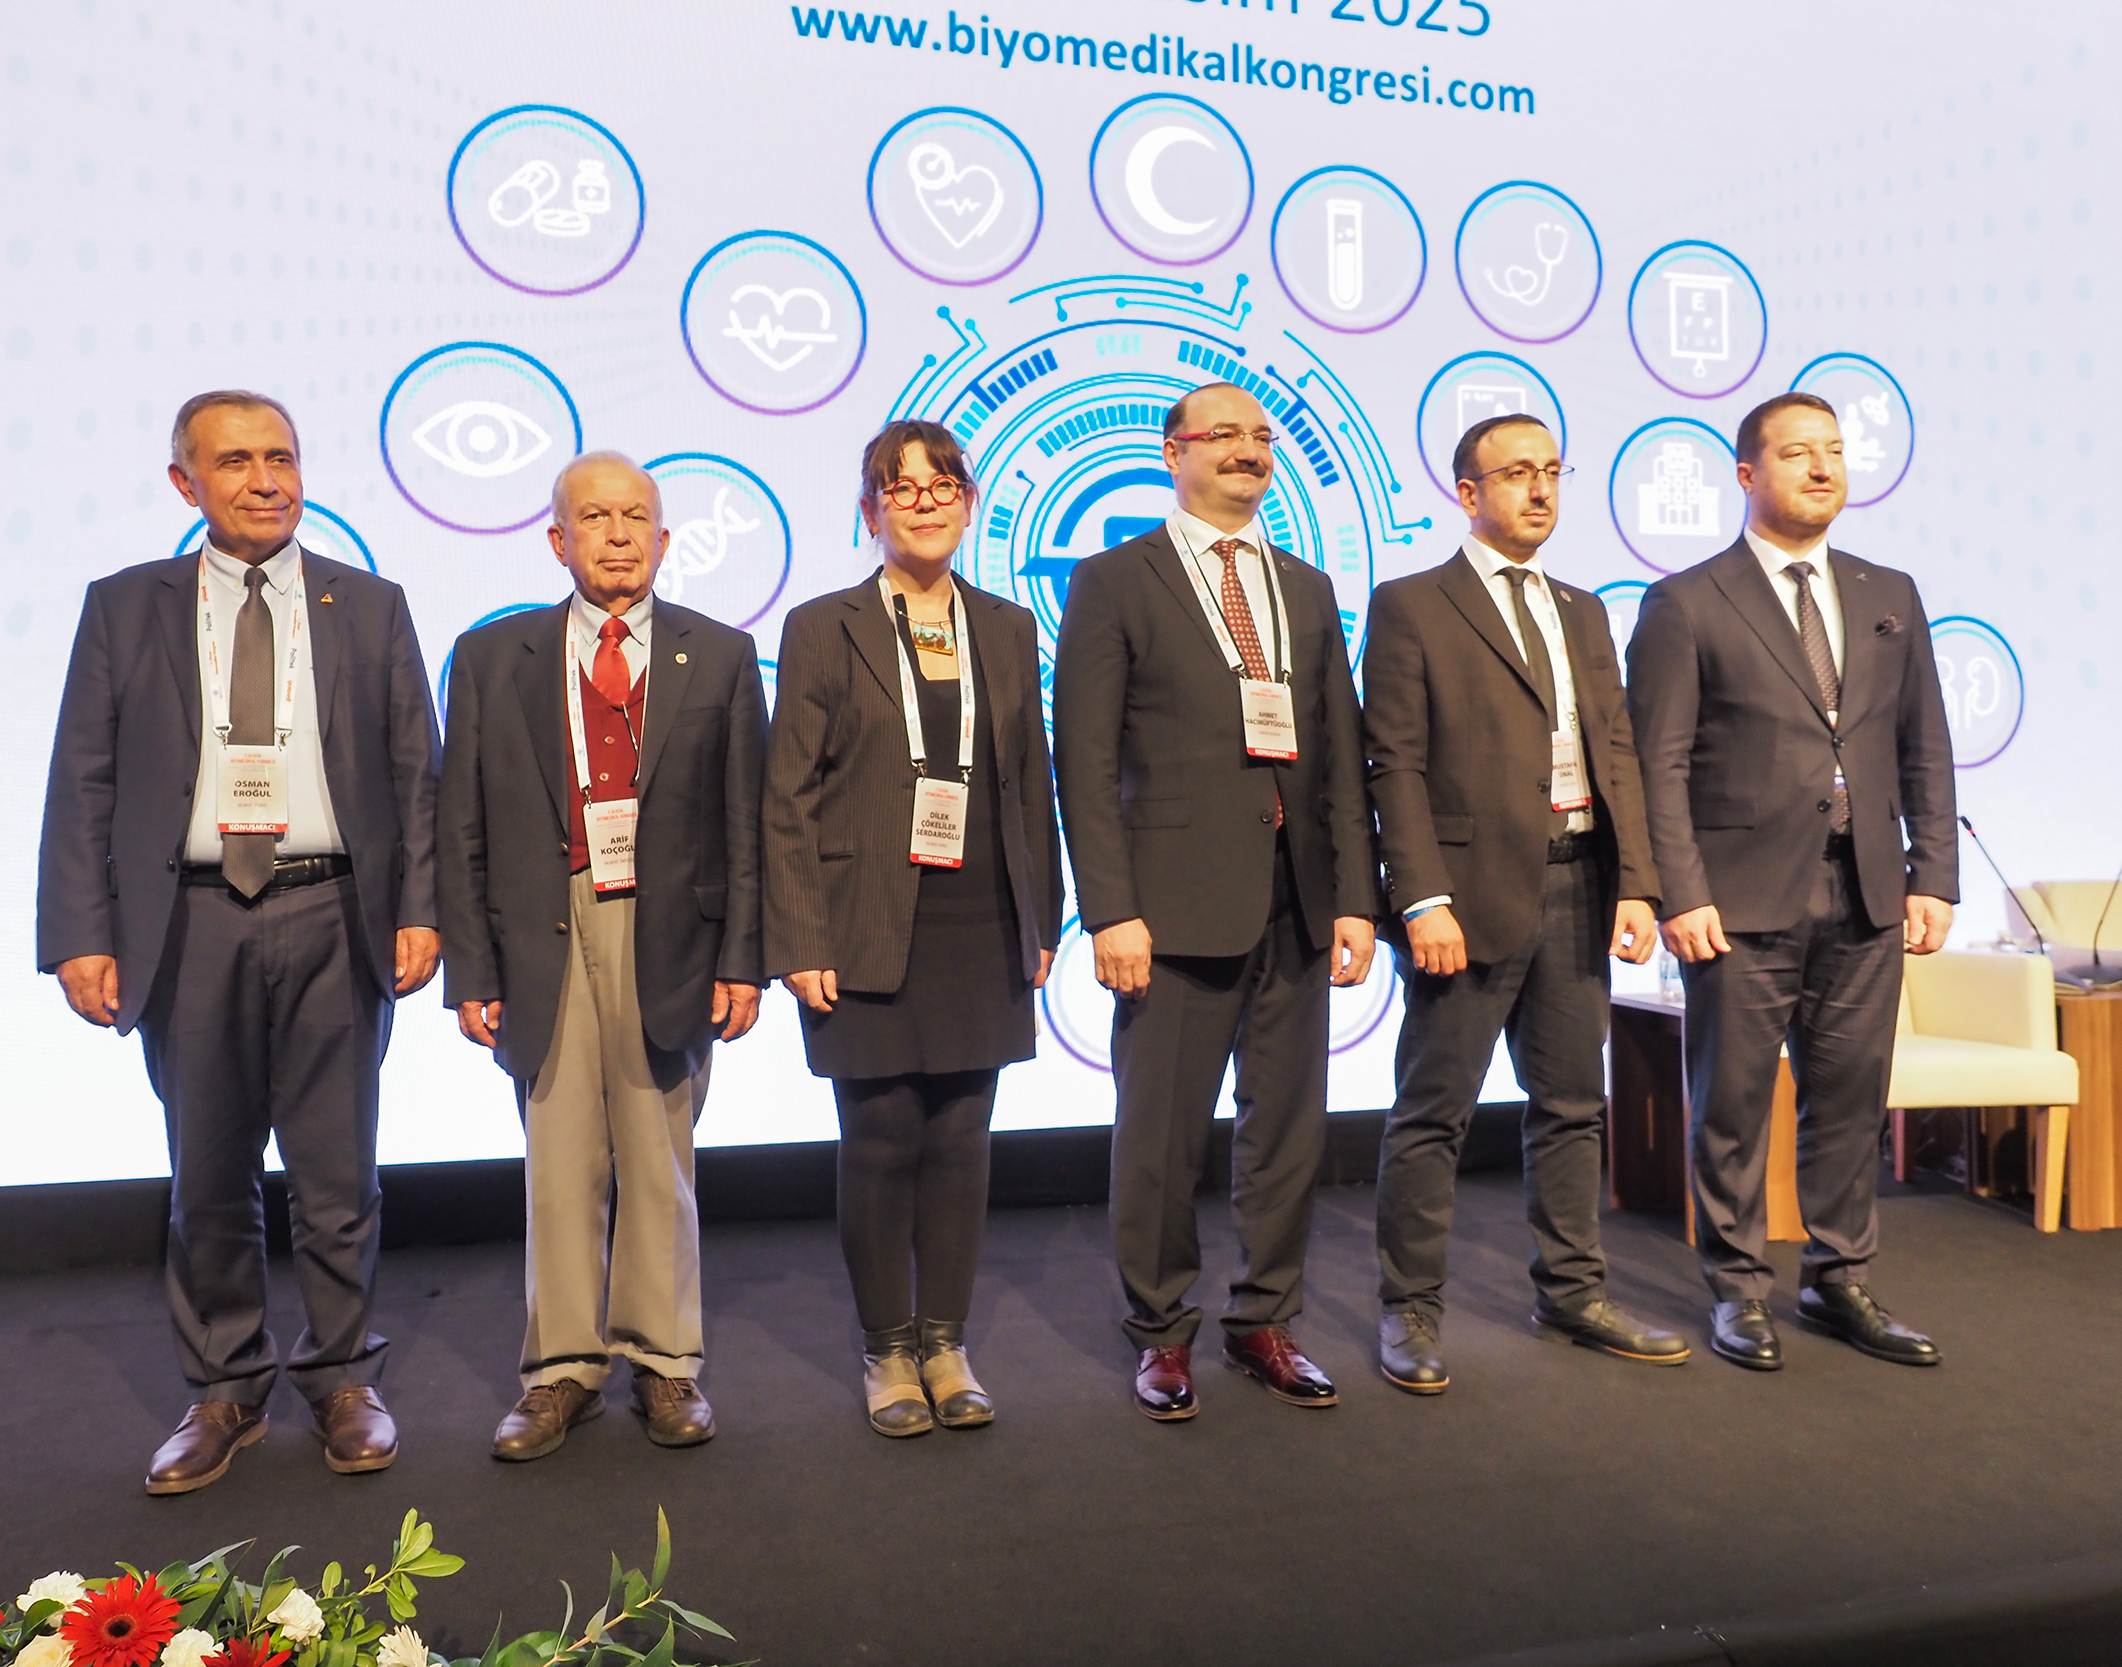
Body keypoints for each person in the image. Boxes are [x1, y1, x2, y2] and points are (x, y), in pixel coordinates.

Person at [37, 390, 440, 1493]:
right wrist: (78, 932)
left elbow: (417, 769)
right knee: (208, 1173)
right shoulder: (126, 606)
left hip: (333, 909)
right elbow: (82, 777)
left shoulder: (369, 603)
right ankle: (223, 1387)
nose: (266, 480)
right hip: (191, 920)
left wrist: (423, 906)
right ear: (186, 482)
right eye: (236, 462)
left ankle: (344, 1378)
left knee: (337, 1172)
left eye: (282, 458)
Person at [1052, 381, 1376, 1421]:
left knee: (1287, 1133)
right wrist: (1109, 909)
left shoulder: (1305, 586)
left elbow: (1338, 752)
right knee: (1160, 1138)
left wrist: (1356, 898)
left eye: (1260, 435)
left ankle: (1265, 1319)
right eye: (1224, 433)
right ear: (1174, 452)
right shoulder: (1115, 579)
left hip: (1296, 901)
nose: (1248, 449)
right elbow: (1084, 757)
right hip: (1171, 907)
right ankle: (1160, 1330)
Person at [437, 451, 765, 1457]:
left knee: (660, 1156)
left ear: (663, 540)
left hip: (670, 933)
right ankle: (562, 1369)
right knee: (559, 1155)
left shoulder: (721, 655)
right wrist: (471, 969)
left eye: (635, 518)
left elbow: (745, 823)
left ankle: (665, 1359)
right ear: (557, 540)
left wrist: (743, 959)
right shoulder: (492, 656)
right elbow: (460, 825)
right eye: (594, 517)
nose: (617, 535)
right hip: (545, 926)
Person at [1627, 393, 1957, 1371]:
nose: (1822, 468)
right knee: (1731, 1104)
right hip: (1737, 898)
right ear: (1746, 473)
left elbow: (1923, 743)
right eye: (1798, 452)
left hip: (1866, 888)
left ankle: (1837, 1276)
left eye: (1834, 451)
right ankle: (1737, 1287)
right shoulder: (1687, 600)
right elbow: (1658, 763)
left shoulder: (1888, 590)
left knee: (1850, 1099)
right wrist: (1680, 891)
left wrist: (1932, 872)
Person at [1361, 415, 1686, 1395]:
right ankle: (1410, 1307)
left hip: (1579, 882)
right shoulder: (1412, 603)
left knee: (1573, 1106)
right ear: (1468, 493)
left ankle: (1573, 1292)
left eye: (1550, 471)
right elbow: (1393, 763)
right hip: (1464, 898)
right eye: (1515, 474)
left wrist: (1638, 881)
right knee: (1434, 1111)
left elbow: (1615, 748)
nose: (1539, 490)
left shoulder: (1582, 609)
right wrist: (1420, 896)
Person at [764, 420, 1062, 1438]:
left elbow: (1029, 780)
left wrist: (1043, 913)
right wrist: (799, 936)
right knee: (883, 1135)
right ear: (870, 511)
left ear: (968, 503)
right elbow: (787, 794)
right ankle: (887, 1348)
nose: (925, 503)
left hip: (982, 916)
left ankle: (947, 1342)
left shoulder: (1008, 625)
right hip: (862, 918)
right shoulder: (824, 625)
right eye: (902, 488)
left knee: (964, 1137)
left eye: (942, 486)